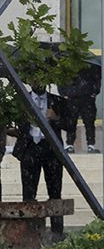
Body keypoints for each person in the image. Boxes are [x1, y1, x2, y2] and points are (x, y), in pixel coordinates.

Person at [12, 83, 66, 234]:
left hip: (51, 149)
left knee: (55, 192)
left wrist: (55, 117)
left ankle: (57, 232)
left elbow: (69, 124)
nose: (38, 83)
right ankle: (30, 231)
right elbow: (15, 124)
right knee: (28, 193)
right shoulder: (21, 100)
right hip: (30, 148)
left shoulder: (57, 101)